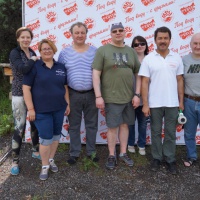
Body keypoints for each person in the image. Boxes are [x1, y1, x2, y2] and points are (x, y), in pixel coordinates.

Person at [92, 22, 141, 170]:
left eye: (121, 30)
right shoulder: (103, 50)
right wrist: (98, 96)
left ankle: (123, 153)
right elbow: (96, 74)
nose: (118, 33)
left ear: (125, 32)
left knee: (125, 125)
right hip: (111, 97)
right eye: (115, 31)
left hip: (129, 97)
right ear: (111, 34)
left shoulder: (131, 52)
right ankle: (112, 155)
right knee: (112, 127)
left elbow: (138, 74)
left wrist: (137, 94)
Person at [139, 26, 184, 175]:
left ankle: (170, 159)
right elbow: (144, 82)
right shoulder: (149, 59)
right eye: (160, 38)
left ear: (170, 40)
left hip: (172, 103)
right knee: (156, 132)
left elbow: (179, 80)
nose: (163, 41)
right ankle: (157, 158)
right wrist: (145, 104)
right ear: (155, 40)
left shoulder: (176, 58)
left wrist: (181, 102)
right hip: (155, 103)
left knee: (171, 132)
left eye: (165, 38)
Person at [23, 39, 70, 180]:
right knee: (45, 139)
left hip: (59, 108)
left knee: (56, 136)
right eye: (44, 48)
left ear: (53, 49)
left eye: (49, 48)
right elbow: (26, 88)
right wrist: (30, 108)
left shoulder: (61, 67)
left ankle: (50, 159)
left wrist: (68, 104)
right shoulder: (34, 67)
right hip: (41, 110)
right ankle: (44, 166)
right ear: (40, 51)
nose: (47, 50)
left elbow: (65, 87)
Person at [58, 22, 99, 164]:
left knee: (92, 125)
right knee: (74, 125)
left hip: (91, 93)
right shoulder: (64, 53)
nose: (80, 35)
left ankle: (91, 152)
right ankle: (74, 152)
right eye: (77, 33)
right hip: (72, 94)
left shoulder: (95, 51)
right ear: (72, 34)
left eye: (82, 32)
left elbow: (99, 73)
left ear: (86, 34)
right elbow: (60, 75)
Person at [9, 27, 40, 176]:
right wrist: (33, 60)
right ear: (18, 39)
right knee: (19, 127)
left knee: (35, 124)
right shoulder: (15, 53)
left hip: (33, 94)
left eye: (28, 37)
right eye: (23, 37)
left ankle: (36, 150)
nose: (26, 40)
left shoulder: (32, 52)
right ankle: (15, 161)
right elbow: (23, 69)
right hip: (19, 95)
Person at [128, 35, 149, 155]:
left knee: (142, 123)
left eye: (142, 43)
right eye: (136, 44)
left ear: (146, 45)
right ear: (133, 47)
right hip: (130, 97)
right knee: (130, 122)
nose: (139, 46)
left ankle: (141, 145)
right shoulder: (129, 60)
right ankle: (130, 143)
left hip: (145, 98)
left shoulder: (151, 59)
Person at [182, 33, 200, 167]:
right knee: (189, 132)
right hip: (189, 101)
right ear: (190, 44)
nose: (197, 46)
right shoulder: (184, 60)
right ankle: (191, 156)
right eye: (195, 43)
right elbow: (179, 82)